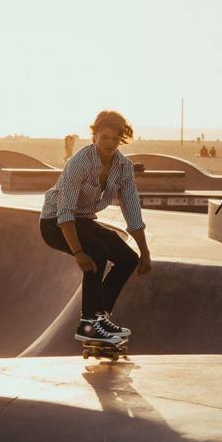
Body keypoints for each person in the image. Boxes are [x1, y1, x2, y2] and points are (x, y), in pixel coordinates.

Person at [40, 110, 152, 346]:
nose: (109, 144)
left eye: (114, 138)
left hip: (82, 221)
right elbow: (65, 212)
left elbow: (132, 211)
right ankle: (88, 324)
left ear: (121, 138)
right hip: (54, 222)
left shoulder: (123, 167)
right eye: (104, 138)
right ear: (94, 136)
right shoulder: (79, 163)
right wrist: (79, 252)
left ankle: (99, 317)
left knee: (127, 258)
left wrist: (145, 252)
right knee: (97, 251)